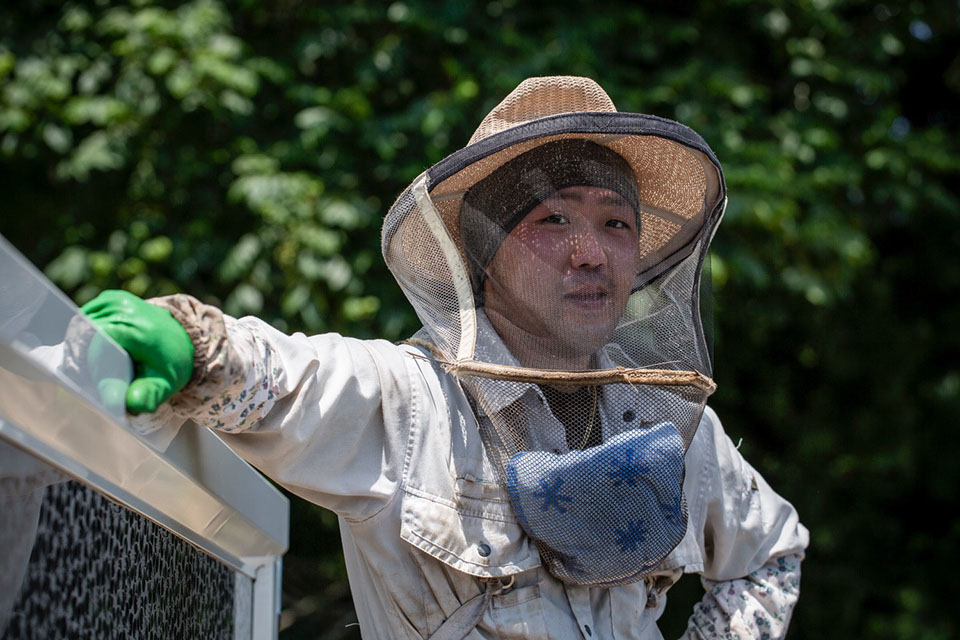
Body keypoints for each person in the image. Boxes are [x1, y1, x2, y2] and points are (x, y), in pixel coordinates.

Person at [82, 76, 808, 639]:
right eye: (554, 218)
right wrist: (195, 345)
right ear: (484, 252)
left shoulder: (668, 425)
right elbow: (286, 378)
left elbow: (772, 551)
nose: (591, 253)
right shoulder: (412, 404)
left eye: (616, 223)